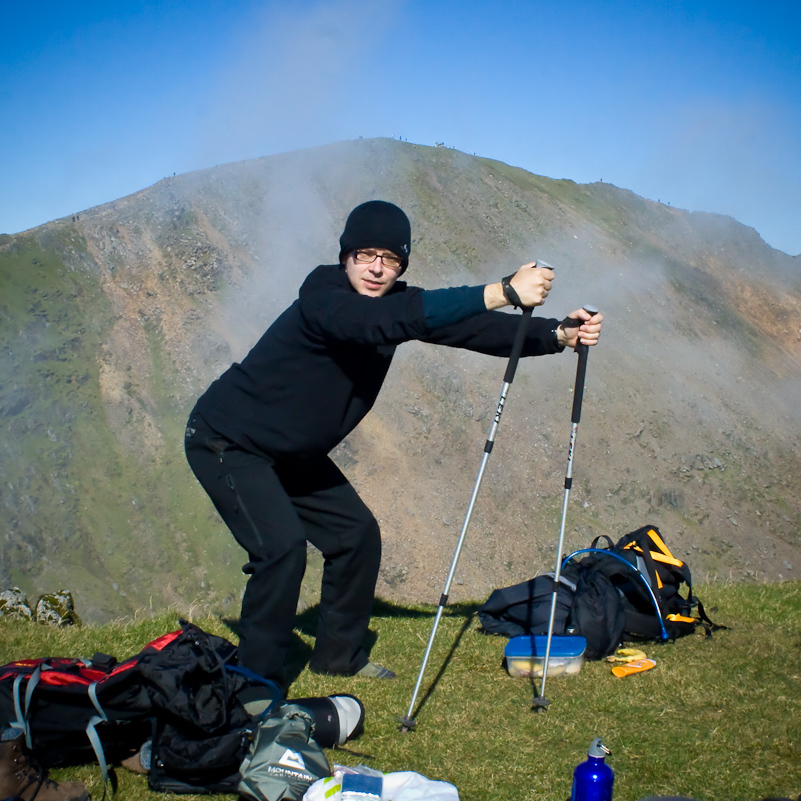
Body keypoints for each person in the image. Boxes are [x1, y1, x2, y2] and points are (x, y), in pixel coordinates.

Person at [184, 200, 603, 690]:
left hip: (291, 453)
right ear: (345, 257)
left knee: (356, 536)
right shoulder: (324, 297)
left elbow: (466, 327)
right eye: (365, 255)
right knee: (281, 550)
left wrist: (556, 334)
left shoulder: (395, 307)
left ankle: (338, 657)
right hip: (229, 441)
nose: (378, 267)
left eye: (391, 259)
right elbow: (372, 324)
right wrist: (503, 289)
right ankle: (252, 683)